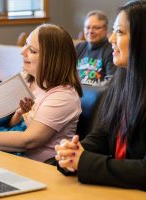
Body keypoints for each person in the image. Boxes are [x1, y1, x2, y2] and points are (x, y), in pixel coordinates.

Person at [0, 24, 83, 164]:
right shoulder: (25, 78)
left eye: (32, 50)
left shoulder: (63, 97)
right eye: (25, 44)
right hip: (4, 157)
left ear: (51, 59)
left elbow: (28, 140)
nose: (22, 52)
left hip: (39, 167)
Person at [55, 0, 146, 190]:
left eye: (119, 32)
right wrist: (74, 153)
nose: (111, 39)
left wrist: (85, 162)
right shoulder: (123, 79)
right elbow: (104, 134)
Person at [76, 10, 117, 86]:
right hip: (76, 94)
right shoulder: (78, 47)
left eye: (96, 28)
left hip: (98, 95)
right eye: (87, 27)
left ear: (105, 29)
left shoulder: (112, 50)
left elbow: (111, 82)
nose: (90, 31)